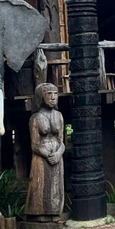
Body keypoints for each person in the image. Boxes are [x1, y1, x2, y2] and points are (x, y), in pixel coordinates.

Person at [24, 83, 65, 220]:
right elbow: (34, 145)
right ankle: (40, 215)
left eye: (55, 93)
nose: (53, 97)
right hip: (41, 158)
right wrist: (47, 155)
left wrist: (58, 154)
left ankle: (55, 214)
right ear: (41, 97)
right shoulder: (35, 118)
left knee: (55, 187)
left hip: (57, 158)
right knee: (40, 187)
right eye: (49, 94)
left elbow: (62, 141)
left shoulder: (59, 116)